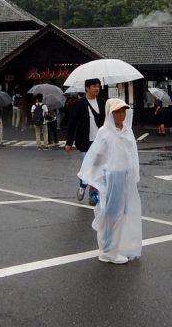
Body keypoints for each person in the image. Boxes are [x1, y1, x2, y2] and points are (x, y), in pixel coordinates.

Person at [78, 98, 142, 265]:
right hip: (112, 176)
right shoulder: (105, 132)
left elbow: (132, 153)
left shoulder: (127, 130)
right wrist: (95, 177)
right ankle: (107, 250)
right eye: (117, 111)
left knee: (123, 212)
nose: (122, 115)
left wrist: (133, 172)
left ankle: (118, 246)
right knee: (111, 213)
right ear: (110, 113)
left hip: (125, 176)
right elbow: (96, 156)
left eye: (123, 111)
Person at [66, 78, 106, 203]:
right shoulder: (78, 104)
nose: (97, 88)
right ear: (87, 88)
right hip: (85, 141)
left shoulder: (102, 102)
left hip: (99, 141)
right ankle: (82, 185)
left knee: (98, 169)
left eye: (98, 86)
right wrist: (69, 142)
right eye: (94, 86)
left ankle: (93, 195)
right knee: (87, 168)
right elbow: (72, 123)